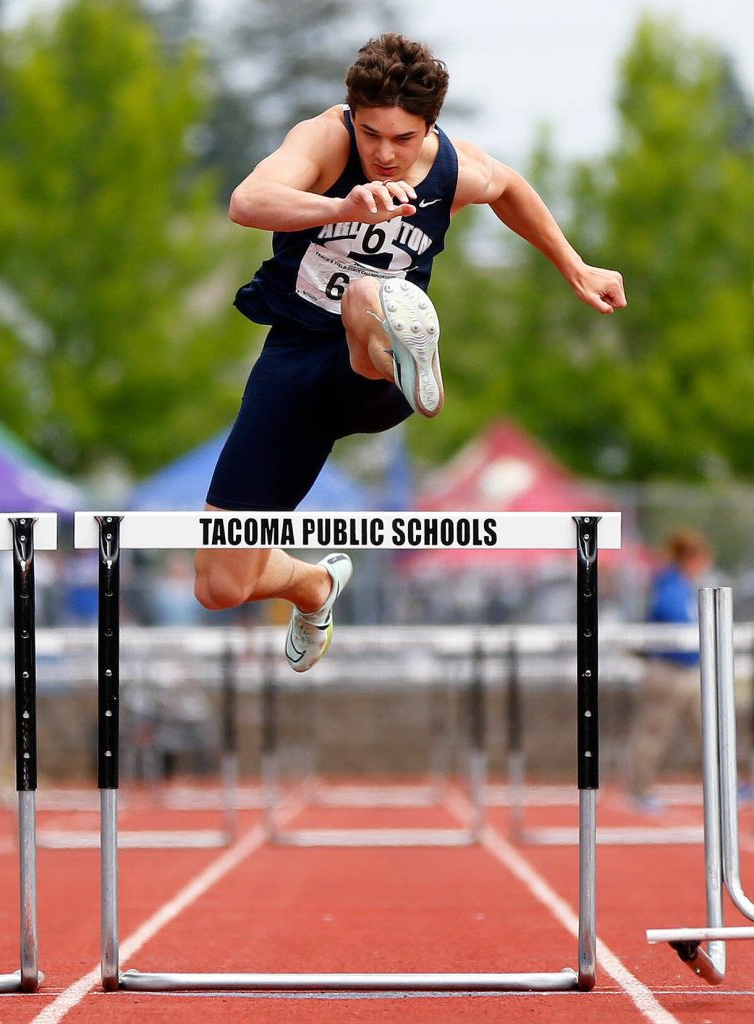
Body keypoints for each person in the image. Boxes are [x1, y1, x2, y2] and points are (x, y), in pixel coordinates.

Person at [194, 33, 627, 672]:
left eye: (402, 138)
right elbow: (247, 202)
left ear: (429, 126)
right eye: (371, 134)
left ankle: (410, 351)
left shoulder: (455, 168)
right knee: (219, 584)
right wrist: (341, 204)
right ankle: (313, 586)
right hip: (291, 365)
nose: (383, 153)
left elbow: (509, 188)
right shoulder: (325, 139)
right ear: (353, 116)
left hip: (374, 367)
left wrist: (574, 265)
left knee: (369, 294)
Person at [626, 529, 713, 813]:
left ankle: (724, 785)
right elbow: (674, 620)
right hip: (668, 670)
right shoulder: (671, 586)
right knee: (653, 732)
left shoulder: (684, 586)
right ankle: (640, 790)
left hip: (689, 672)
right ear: (691, 558)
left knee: (709, 729)